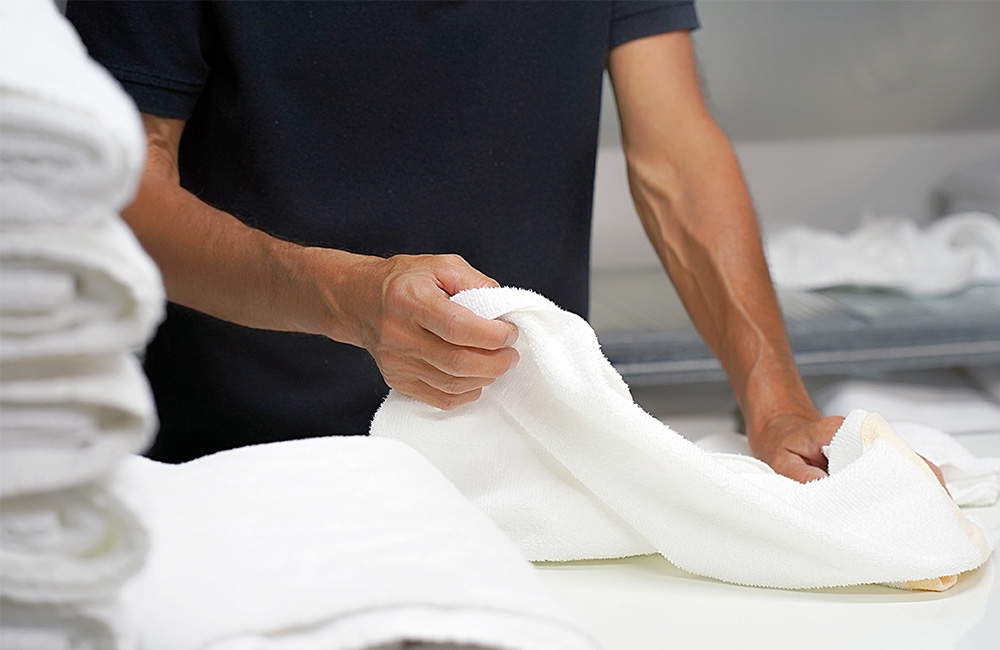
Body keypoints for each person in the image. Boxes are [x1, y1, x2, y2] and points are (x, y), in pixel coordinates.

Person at [65, 0, 844, 482]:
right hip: (242, 463)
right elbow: (123, 192)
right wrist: (345, 298)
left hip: (525, 453)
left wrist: (775, 402)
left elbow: (675, 152)